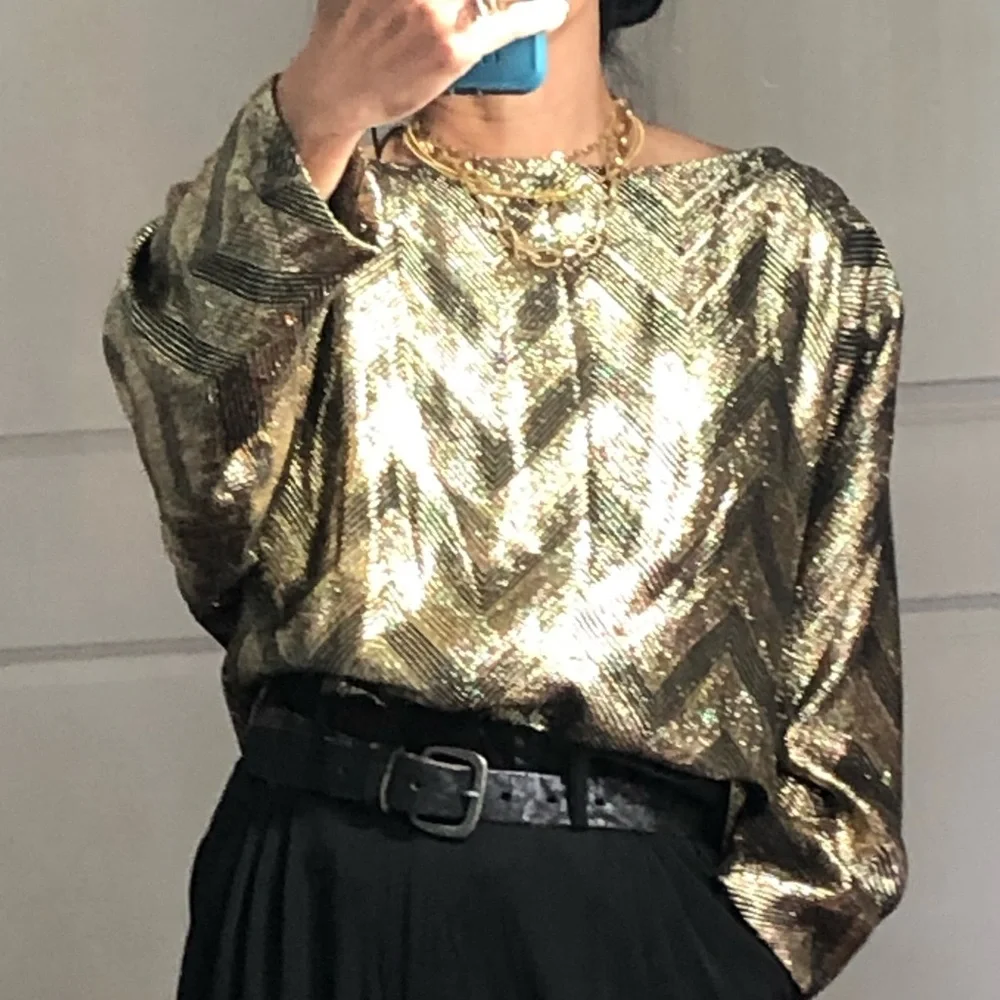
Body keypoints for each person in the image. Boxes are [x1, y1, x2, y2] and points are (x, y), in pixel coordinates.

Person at [102, 0, 908, 996]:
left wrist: (739, 961)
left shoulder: (784, 242)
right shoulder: (301, 214)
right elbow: (193, 472)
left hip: (632, 910)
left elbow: (837, 700)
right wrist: (316, 110)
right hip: (319, 883)